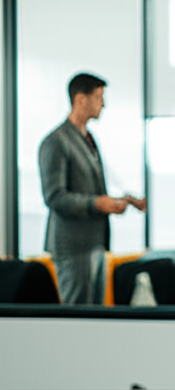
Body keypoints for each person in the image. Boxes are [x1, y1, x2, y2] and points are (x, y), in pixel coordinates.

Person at [38, 73, 146, 305]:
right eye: (98, 97)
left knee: (96, 316)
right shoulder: (56, 142)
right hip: (73, 248)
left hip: (95, 244)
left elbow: (91, 191)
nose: (103, 104)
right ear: (81, 99)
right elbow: (54, 197)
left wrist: (127, 201)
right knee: (78, 317)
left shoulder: (89, 139)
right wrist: (97, 204)